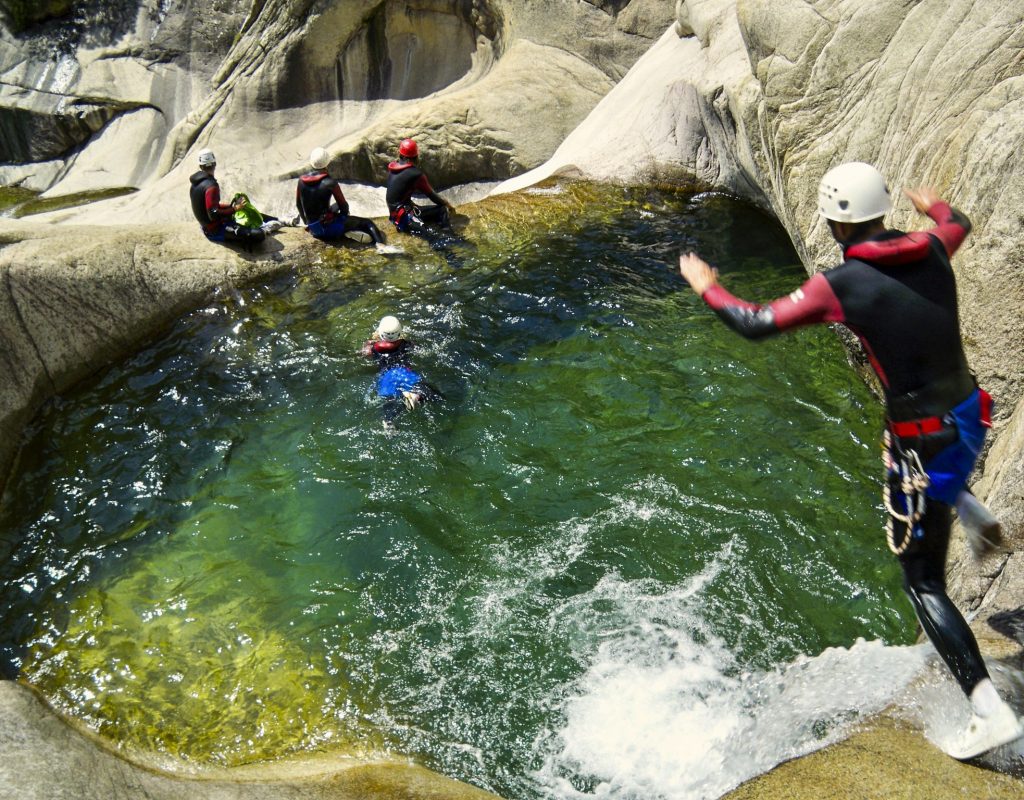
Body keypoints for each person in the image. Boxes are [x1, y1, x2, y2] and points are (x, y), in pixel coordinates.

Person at [677, 161, 1022, 760]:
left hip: (926, 440)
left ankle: (989, 712)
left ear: (835, 220)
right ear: (881, 210)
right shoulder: (934, 247)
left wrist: (708, 285)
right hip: (968, 416)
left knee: (923, 584)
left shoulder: (844, 284)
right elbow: (956, 220)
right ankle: (969, 509)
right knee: (917, 456)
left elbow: (757, 323)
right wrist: (934, 203)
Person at [362, 315, 442, 427]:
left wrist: (369, 342)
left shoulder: (373, 348)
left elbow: (364, 354)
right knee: (430, 392)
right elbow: (420, 350)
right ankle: (416, 397)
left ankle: (389, 421)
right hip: (405, 373)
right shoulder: (407, 343)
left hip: (387, 376)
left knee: (390, 401)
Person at [296, 147, 385, 245]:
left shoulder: (301, 180)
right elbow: (344, 206)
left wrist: (306, 222)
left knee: (334, 207)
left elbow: (298, 204)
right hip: (328, 231)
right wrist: (343, 218)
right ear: (327, 162)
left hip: (313, 230)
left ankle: (343, 230)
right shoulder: (330, 182)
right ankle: (382, 247)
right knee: (368, 223)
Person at [189, 149, 267, 247]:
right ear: (215, 164)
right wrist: (234, 209)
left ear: (200, 166)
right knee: (259, 235)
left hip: (206, 226)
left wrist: (228, 206)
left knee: (243, 213)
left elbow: (207, 207)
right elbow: (213, 214)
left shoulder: (195, 184)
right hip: (215, 230)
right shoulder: (211, 187)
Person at [385, 138, 456, 234]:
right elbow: (433, 197)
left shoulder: (393, 168)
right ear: (416, 157)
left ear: (400, 154)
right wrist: (448, 205)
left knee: (439, 212)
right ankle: (451, 235)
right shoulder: (416, 174)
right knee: (435, 231)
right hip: (405, 218)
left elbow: (396, 196)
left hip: (395, 217)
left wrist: (412, 205)